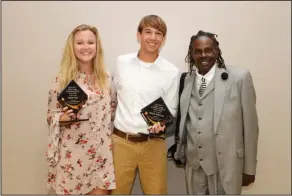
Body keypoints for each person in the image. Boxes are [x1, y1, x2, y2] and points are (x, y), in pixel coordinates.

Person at [174, 30, 259, 195]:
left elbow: (250, 128)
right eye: (197, 51)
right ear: (191, 55)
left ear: (217, 51)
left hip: (225, 164)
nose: (203, 55)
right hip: (194, 166)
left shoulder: (239, 78)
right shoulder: (186, 80)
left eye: (208, 50)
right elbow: (183, 119)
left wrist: (249, 168)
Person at [111, 15, 180, 194]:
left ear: (163, 39)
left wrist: (162, 124)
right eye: (148, 32)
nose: (153, 37)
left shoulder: (171, 71)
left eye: (159, 33)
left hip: (153, 144)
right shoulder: (121, 63)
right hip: (121, 143)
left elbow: (171, 109)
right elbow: (112, 97)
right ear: (138, 35)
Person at [46, 24, 116, 195]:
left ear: (97, 46)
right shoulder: (62, 80)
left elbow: (112, 110)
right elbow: (50, 116)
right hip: (72, 157)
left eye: (90, 42)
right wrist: (63, 118)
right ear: (72, 47)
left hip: (101, 157)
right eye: (80, 43)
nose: (86, 47)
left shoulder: (106, 78)